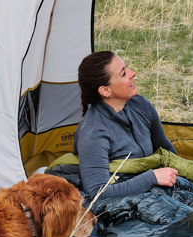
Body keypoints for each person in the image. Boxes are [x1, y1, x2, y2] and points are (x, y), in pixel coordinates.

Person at [73, 50, 178, 200]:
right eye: (123, 73)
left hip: (156, 195)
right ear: (105, 90)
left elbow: (167, 151)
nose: (133, 73)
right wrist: (151, 178)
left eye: (127, 67)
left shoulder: (141, 105)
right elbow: (98, 192)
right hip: (122, 206)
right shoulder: (93, 132)